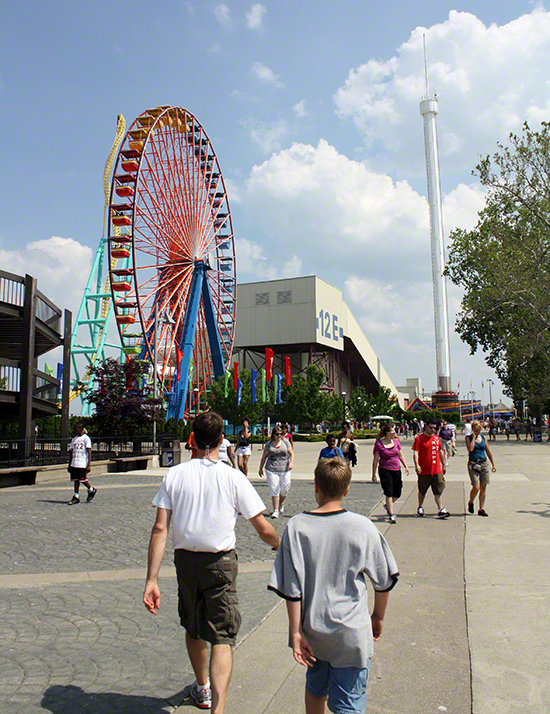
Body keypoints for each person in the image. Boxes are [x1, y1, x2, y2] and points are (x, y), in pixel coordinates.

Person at [143, 412, 279, 714]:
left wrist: (152, 579)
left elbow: (160, 529)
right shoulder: (232, 477)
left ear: (192, 439)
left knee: (193, 628)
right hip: (220, 562)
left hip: (185, 562)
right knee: (222, 634)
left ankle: (202, 688)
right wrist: (280, 546)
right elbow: (262, 526)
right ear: (221, 440)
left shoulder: (175, 475)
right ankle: (217, 708)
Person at [268, 457, 399, 714]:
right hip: (352, 634)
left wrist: (295, 632)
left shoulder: (297, 527)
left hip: (314, 632)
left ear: (315, 486)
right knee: (348, 703)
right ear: (347, 489)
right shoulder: (363, 527)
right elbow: (383, 581)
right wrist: (378, 616)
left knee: (316, 689)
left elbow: (292, 589)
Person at [372, 423, 410, 524]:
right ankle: (391, 514)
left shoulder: (396, 442)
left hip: (396, 469)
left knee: (397, 492)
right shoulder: (379, 444)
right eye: (393, 432)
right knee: (388, 491)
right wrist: (373, 473)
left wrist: (406, 466)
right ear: (388, 433)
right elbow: (375, 459)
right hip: (385, 470)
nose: (395, 434)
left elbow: (401, 455)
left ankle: (388, 505)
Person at [412, 420, 450, 519]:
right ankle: (420, 507)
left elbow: (441, 451)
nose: (432, 430)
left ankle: (441, 509)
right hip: (424, 470)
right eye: (431, 427)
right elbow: (416, 452)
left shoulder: (437, 439)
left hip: (436, 469)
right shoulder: (419, 439)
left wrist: (444, 464)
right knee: (422, 490)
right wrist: (417, 465)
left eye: (434, 428)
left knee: (438, 490)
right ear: (426, 426)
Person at [258, 426, 295, 519]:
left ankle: (281, 502)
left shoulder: (285, 442)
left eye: (281, 434)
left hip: (284, 468)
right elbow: (264, 457)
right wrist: (260, 468)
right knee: (274, 489)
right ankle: (276, 510)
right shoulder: (269, 444)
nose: (279, 436)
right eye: (277, 434)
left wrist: (291, 463)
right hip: (271, 468)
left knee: (285, 489)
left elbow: (292, 454)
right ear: (273, 435)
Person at [465, 419, 496, 517]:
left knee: (483, 486)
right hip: (473, 464)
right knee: (476, 486)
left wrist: (493, 463)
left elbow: (488, 450)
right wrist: (473, 438)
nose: (477, 432)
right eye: (475, 430)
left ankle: (481, 508)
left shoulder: (483, 438)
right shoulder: (468, 438)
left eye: (478, 430)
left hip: (483, 463)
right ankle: (471, 501)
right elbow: (470, 449)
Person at [67, 423, 97, 505]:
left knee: (82, 479)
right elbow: (71, 452)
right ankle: (76, 496)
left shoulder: (86, 438)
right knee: (76, 480)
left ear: (81, 429)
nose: (74, 431)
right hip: (74, 463)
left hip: (82, 463)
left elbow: (89, 451)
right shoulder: (74, 439)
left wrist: (88, 464)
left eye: (76, 429)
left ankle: (91, 489)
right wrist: (69, 464)